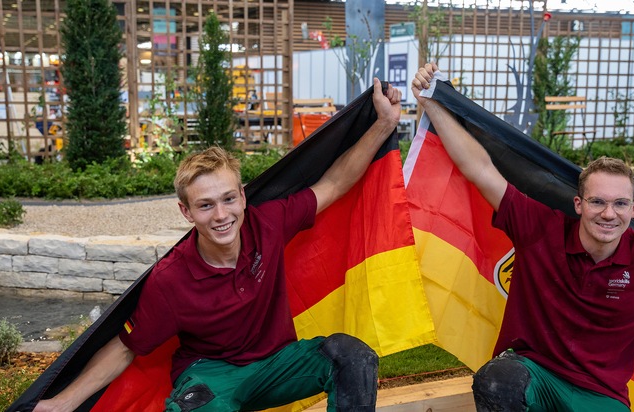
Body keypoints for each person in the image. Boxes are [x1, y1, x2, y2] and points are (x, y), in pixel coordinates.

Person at [32, 78, 402, 412]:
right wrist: (62, 403)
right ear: (187, 212)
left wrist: (384, 123)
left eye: (228, 199)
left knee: (351, 356)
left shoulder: (268, 222)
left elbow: (334, 184)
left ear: (242, 196)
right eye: (205, 205)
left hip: (276, 365)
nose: (221, 215)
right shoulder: (171, 278)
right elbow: (126, 346)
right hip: (211, 375)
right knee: (195, 408)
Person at [412, 63, 634, 411]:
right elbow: (480, 169)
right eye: (597, 201)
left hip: (600, 395)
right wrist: (430, 101)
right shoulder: (541, 228)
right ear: (579, 204)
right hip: (534, 373)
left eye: (620, 204)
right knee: (496, 381)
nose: (608, 213)